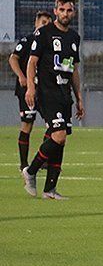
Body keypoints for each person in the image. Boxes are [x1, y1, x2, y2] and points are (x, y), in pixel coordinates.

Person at [21, 0, 84, 200]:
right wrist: (30, 88)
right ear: (56, 10)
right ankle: (30, 171)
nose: (65, 14)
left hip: (65, 94)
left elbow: (73, 70)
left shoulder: (74, 37)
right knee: (58, 136)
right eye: (62, 10)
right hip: (47, 92)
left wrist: (79, 97)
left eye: (69, 10)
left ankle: (50, 190)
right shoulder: (44, 33)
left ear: (73, 12)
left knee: (61, 141)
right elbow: (31, 62)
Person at [9, 10, 52, 170]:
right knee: (27, 124)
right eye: (43, 22)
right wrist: (21, 76)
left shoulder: (49, 42)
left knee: (53, 124)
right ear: (36, 23)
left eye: (48, 23)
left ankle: (43, 159)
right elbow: (13, 58)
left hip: (44, 90)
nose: (45, 25)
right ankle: (23, 164)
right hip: (27, 89)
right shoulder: (28, 40)